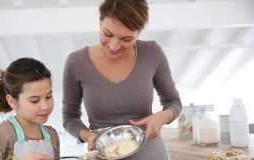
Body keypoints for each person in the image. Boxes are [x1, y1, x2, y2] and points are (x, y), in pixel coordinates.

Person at [62, 0, 182, 159]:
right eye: (107, 34)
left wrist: (162, 117)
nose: (114, 46)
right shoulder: (76, 62)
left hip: (151, 153)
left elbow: (173, 102)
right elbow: (69, 118)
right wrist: (89, 136)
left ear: (139, 33)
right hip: (103, 154)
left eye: (126, 39)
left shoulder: (152, 53)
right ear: (99, 22)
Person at [0, 58, 59, 160]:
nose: (45, 106)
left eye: (48, 97)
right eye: (34, 100)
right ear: (12, 101)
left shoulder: (52, 135)